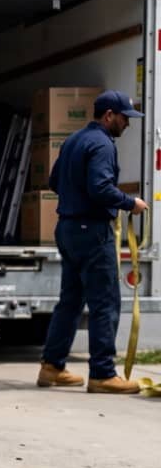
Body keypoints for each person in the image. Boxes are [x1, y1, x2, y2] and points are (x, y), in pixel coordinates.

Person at [37, 90, 148, 394]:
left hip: (68, 229)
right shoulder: (102, 144)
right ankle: (102, 374)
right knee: (105, 302)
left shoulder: (73, 140)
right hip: (91, 231)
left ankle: (52, 365)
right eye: (125, 118)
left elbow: (54, 181)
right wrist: (130, 202)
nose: (127, 124)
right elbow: (100, 187)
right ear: (109, 115)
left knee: (71, 301)